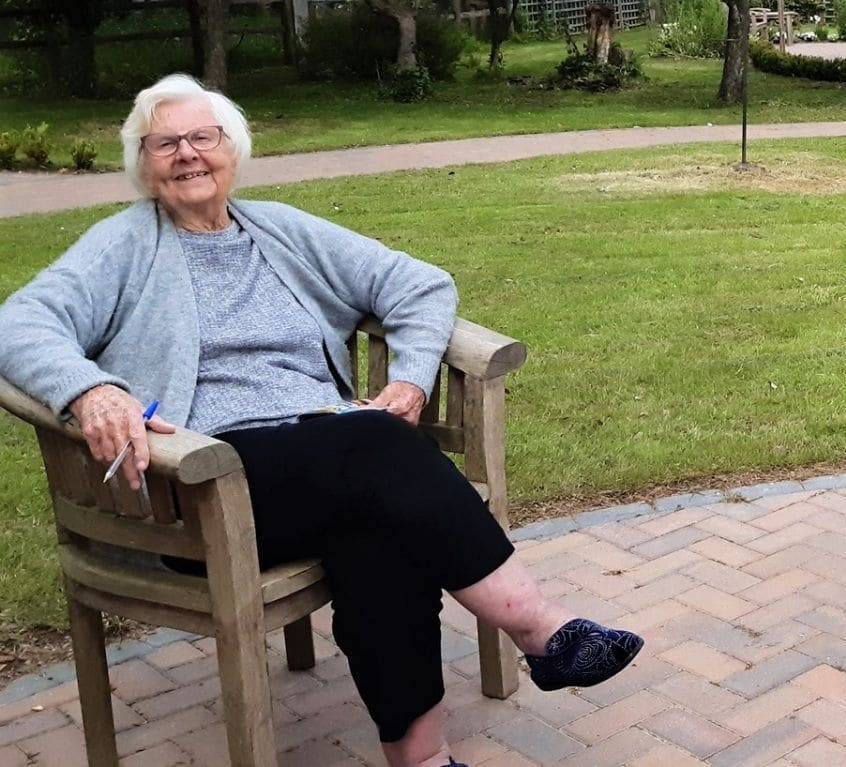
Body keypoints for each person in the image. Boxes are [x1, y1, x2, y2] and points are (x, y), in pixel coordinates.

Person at [0, 74, 642, 767]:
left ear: (231, 150)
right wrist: (89, 388)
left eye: (202, 137)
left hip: (331, 460)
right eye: (165, 143)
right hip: (205, 477)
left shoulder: (278, 228)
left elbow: (419, 283)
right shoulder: (121, 246)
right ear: (143, 162)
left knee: (377, 533)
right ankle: (541, 629)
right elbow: (18, 322)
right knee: (372, 443)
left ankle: (422, 758)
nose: (186, 153)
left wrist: (409, 376)